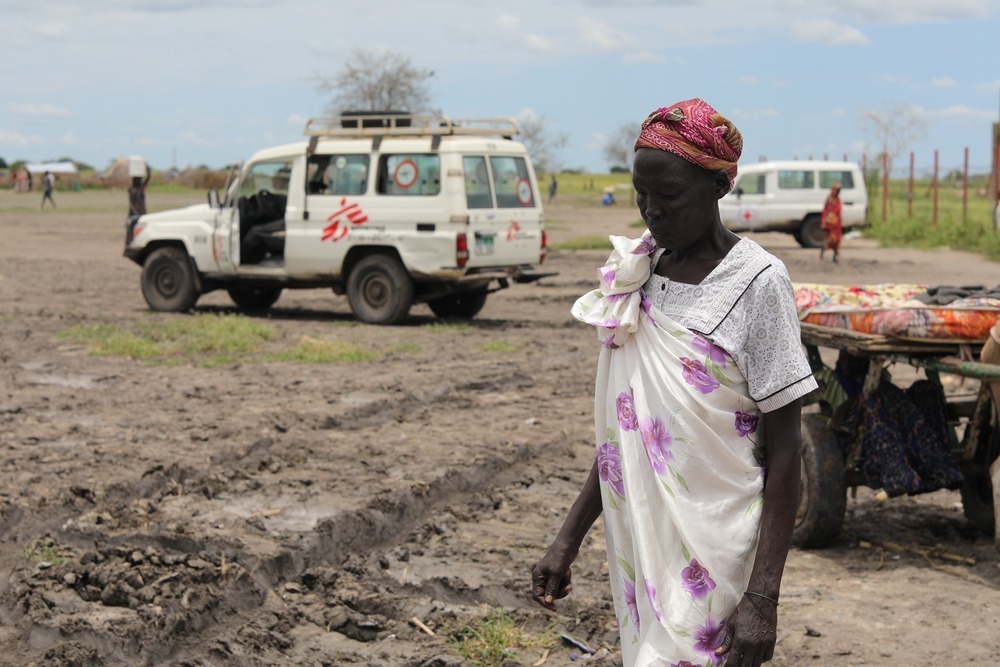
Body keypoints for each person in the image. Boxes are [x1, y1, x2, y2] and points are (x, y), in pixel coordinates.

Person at [531, 98, 817, 667]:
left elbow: (786, 448)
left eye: (669, 194)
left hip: (716, 542)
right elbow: (628, 432)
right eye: (641, 193)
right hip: (644, 541)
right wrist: (568, 538)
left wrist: (763, 596)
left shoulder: (758, 282)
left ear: (719, 186)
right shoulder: (640, 271)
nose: (651, 211)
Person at [819, 183, 842, 262]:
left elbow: (838, 211)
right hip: (829, 224)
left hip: (836, 224)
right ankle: (823, 252)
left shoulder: (837, 199)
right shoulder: (829, 199)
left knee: (836, 240)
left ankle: (835, 255)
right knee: (830, 239)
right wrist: (824, 221)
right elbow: (825, 211)